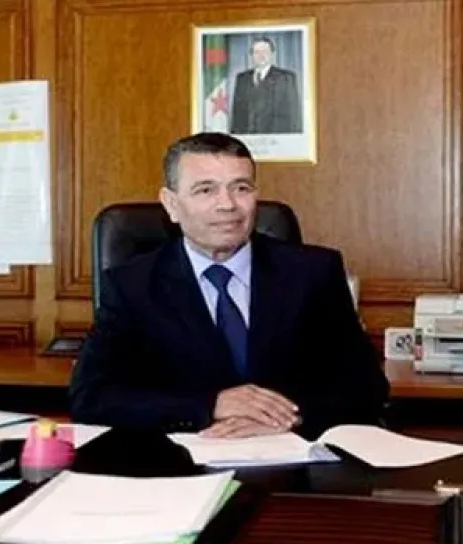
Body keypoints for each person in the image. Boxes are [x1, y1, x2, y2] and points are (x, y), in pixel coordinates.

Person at [70, 132, 389, 440]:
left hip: (291, 457)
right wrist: (210, 405)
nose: (228, 204)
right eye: (205, 190)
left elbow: (367, 387)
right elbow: (91, 397)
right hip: (185, 461)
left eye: (241, 188)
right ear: (171, 204)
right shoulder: (131, 286)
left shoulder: (313, 273)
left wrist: (290, 417)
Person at [229, 37, 302, 134]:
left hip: (276, 138)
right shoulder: (242, 78)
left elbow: (294, 114)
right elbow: (237, 114)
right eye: (257, 52)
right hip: (247, 138)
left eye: (265, 51)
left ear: (272, 54)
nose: (261, 55)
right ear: (252, 55)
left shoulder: (286, 78)